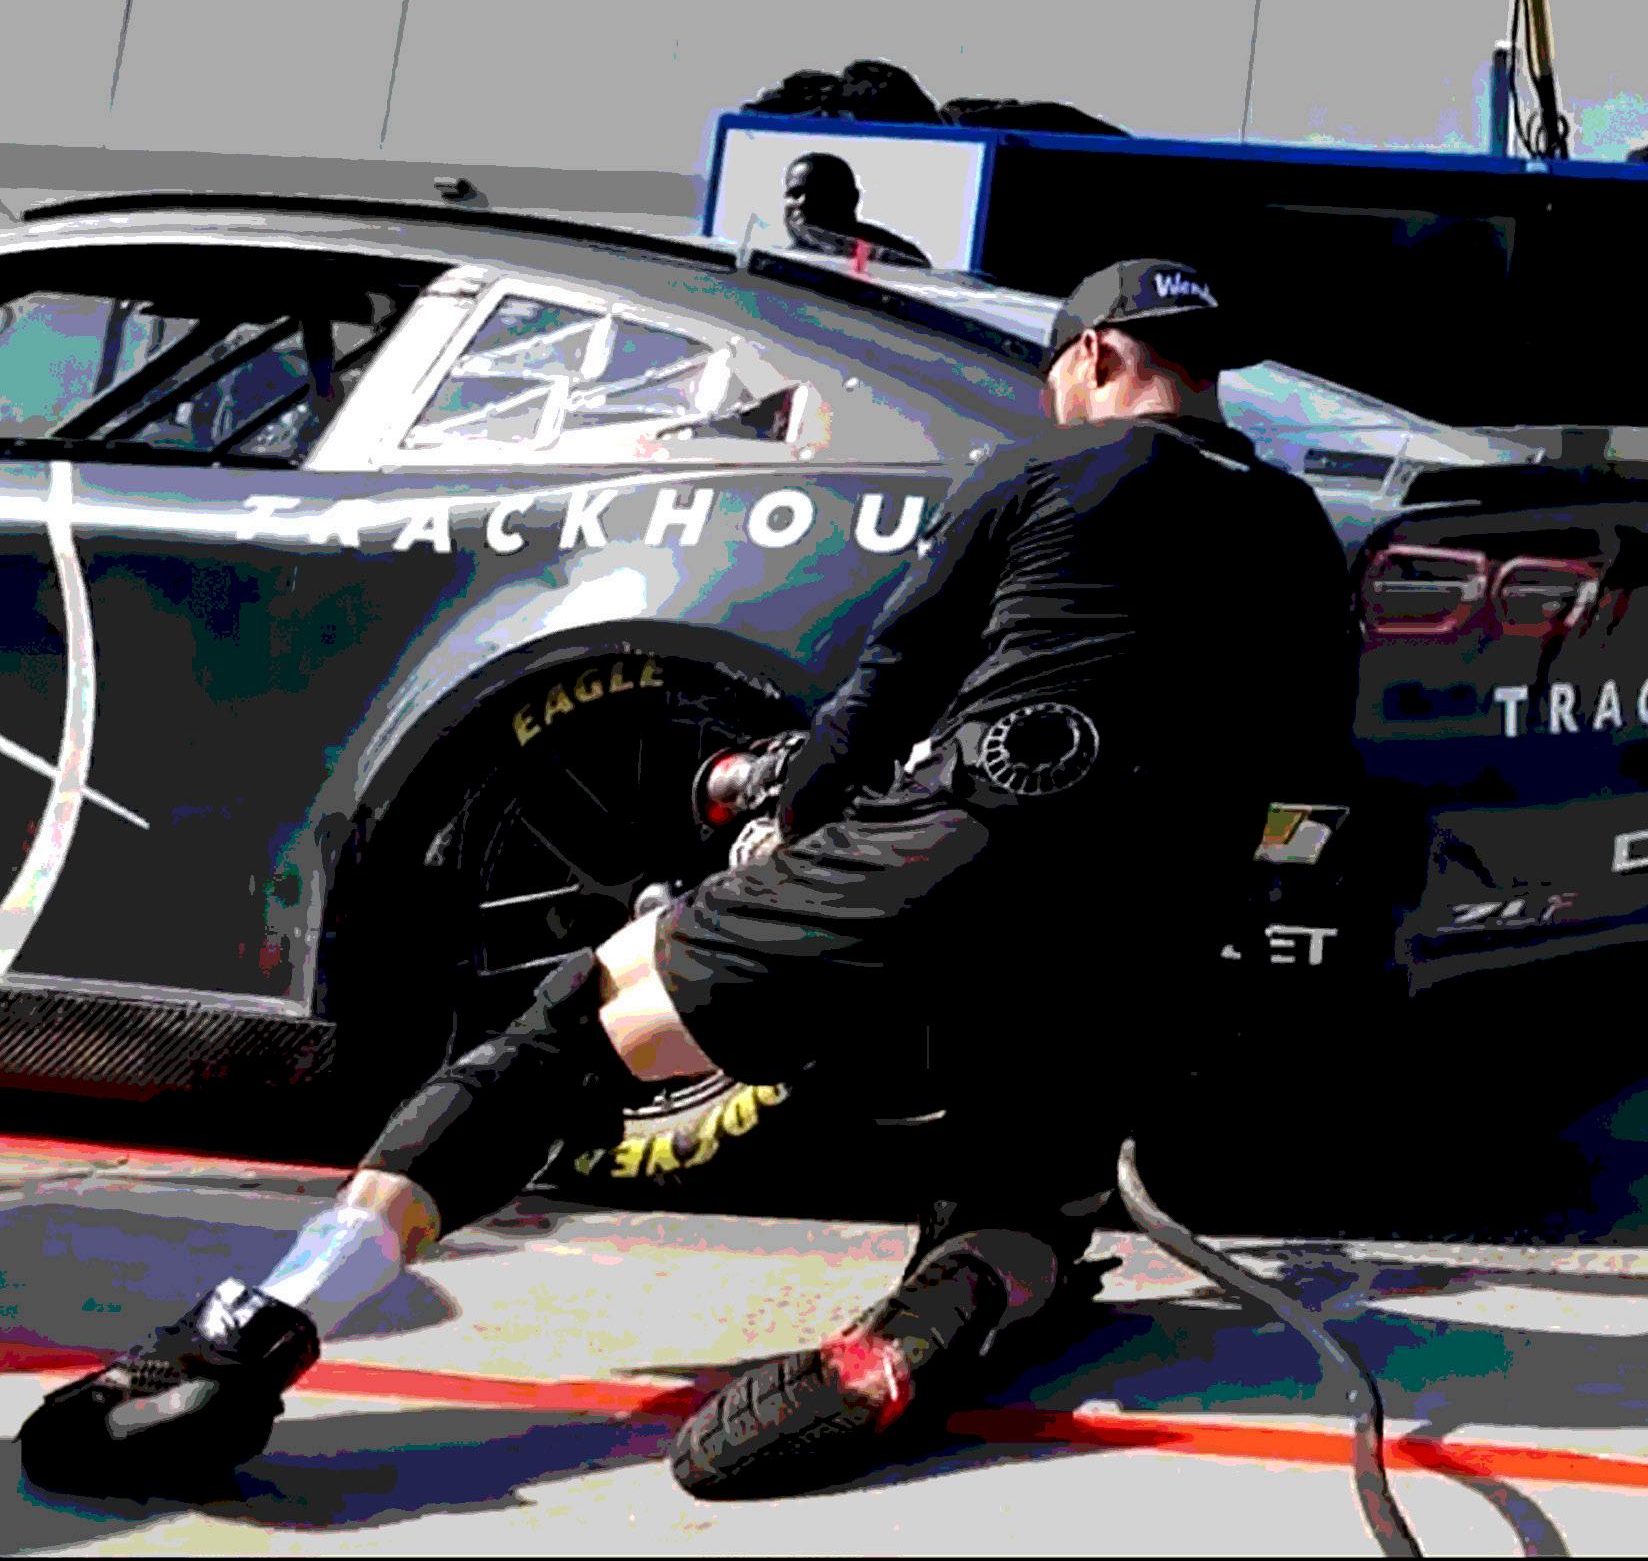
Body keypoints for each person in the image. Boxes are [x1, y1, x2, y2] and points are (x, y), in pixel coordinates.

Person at [20, 257, 1358, 1505]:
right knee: (1024, 1208)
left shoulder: (1042, 468)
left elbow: (878, 702)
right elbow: (1308, 775)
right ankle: (944, 1319)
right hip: (1152, 931)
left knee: (573, 1024)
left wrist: (782, 817)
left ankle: (251, 1334)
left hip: (960, 846)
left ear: (1097, 354)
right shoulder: (1297, 522)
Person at [781, 151, 931, 270]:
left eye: (818, 193)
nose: (803, 202)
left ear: (851, 198)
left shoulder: (900, 258)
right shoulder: (781, 267)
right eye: (795, 194)